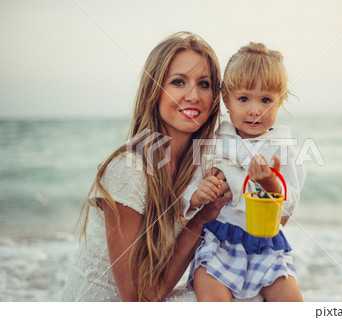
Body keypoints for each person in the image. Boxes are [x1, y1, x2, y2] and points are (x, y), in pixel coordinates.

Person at [61, 31, 232, 302]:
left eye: (204, 84)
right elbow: (138, 298)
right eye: (178, 82)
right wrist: (202, 217)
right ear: (154, 90)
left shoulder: (202, 168)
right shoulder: (128, 169)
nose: (193, 96)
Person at [183, 42, 306, 301]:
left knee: (292, 303)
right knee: (212, 298)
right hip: (220, 241)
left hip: (265, 245)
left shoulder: (281, 148)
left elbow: (289, 202)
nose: (254, 110)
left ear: (280, 100)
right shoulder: (215, 141)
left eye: (266, 100)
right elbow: (190, 184)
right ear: (226, 99)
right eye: (243, 99)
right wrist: (197, 195)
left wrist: (270, 183)